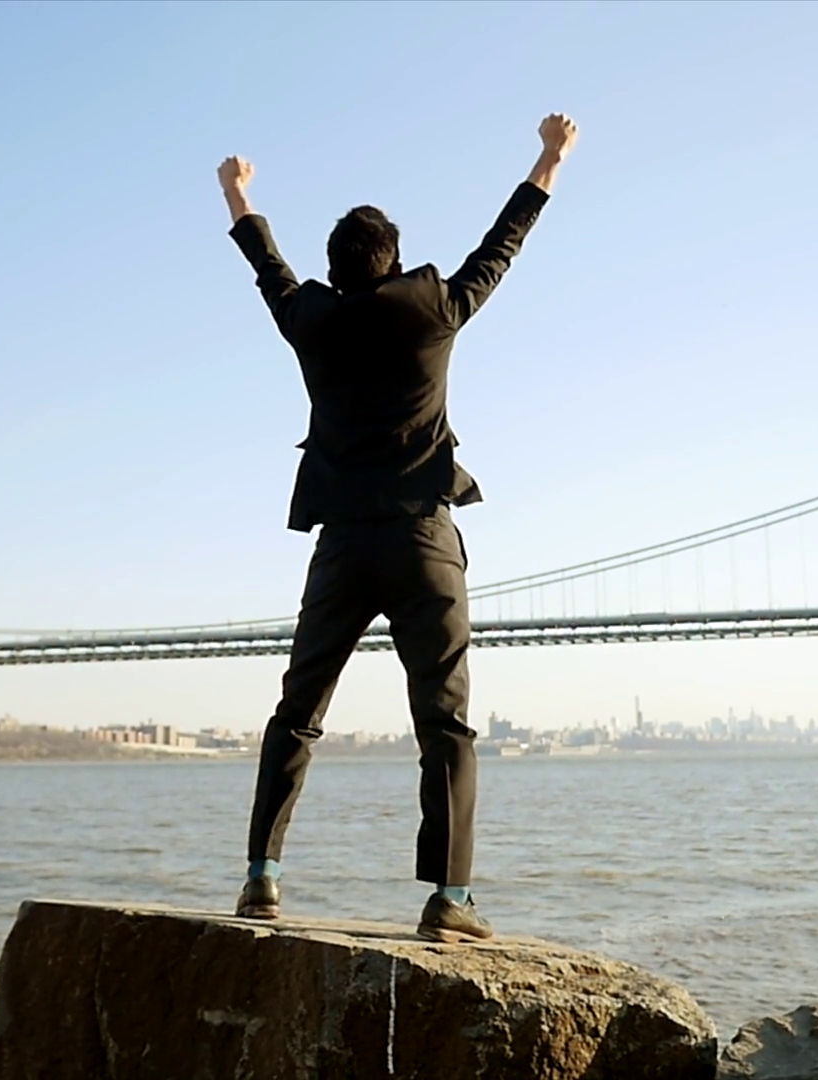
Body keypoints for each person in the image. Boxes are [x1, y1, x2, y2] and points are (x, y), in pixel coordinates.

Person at [218, 113, 579, 942]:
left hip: (342, 544)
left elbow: (268, 269)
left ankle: (261, 880)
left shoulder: (310, 320)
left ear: (338, 269)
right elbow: (503, 243)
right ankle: (450, 899)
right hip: (423, 541)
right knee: (444, 724)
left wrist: (239, 196)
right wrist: (549, 158)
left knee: (298, 712)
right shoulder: (437, 310)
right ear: (391, 260)